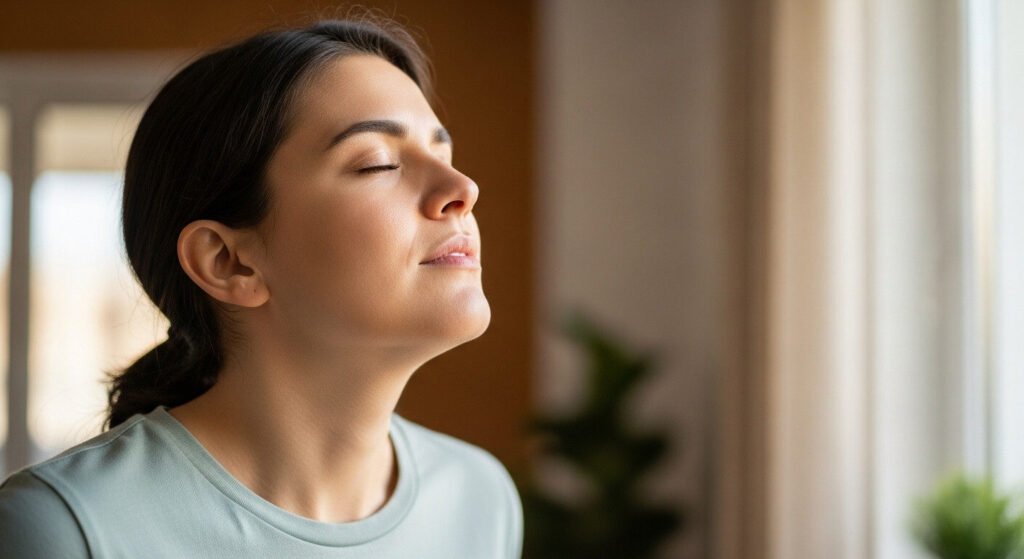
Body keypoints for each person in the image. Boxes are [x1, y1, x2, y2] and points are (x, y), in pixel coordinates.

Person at [0, 16, 523, 558]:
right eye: (378, 163)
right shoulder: (64, 526)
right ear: (229, 262)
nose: (463, 188)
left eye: (444, 155)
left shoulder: (479, 499)